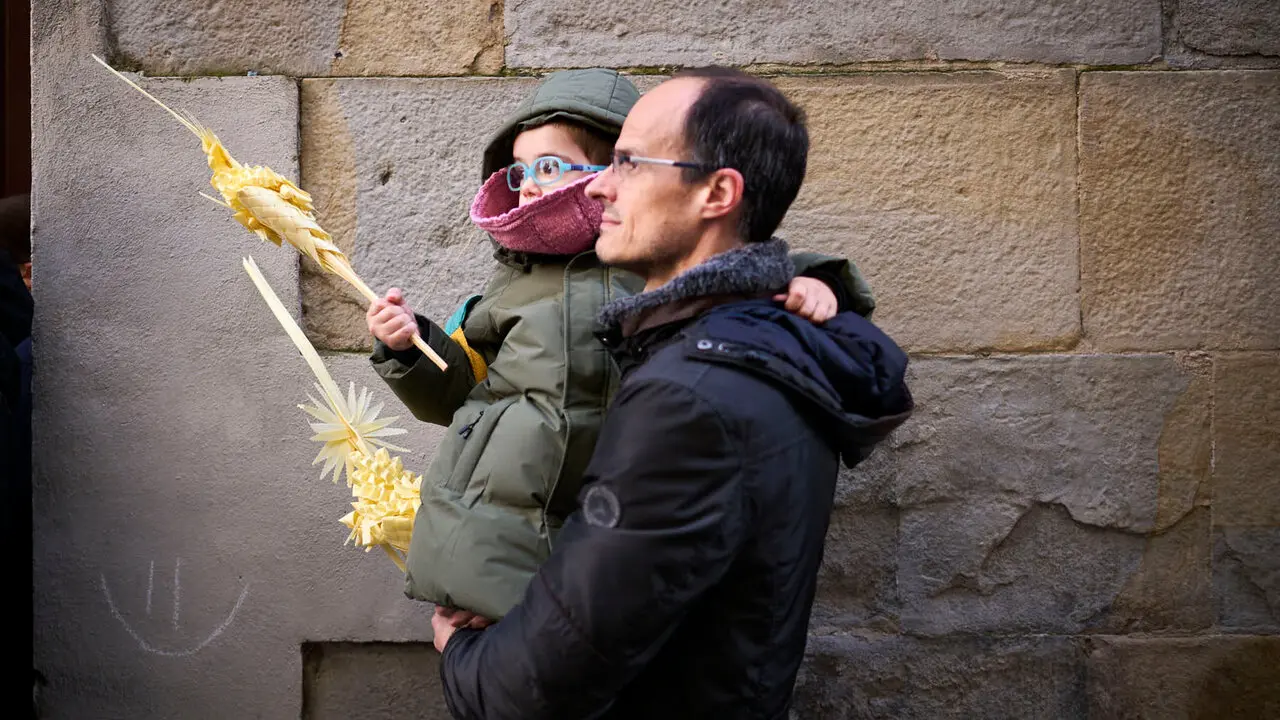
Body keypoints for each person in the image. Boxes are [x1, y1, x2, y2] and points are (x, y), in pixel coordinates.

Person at [429, 68, 913, 719]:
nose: (598, 185)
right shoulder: (771, 347)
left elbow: (542, 681)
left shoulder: (689, 398)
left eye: (627, 163)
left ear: (717, 192)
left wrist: (464, 657)